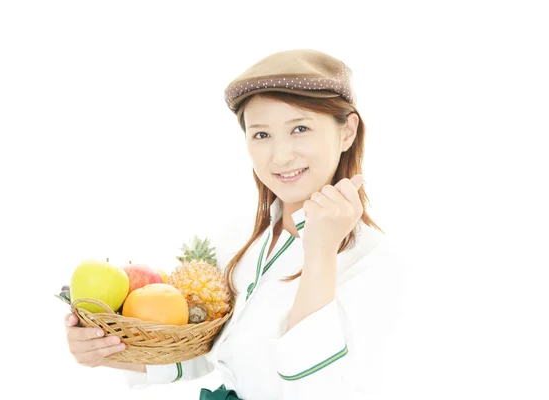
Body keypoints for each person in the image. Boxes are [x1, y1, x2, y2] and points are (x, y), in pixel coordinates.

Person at [63, 49, 406, 399]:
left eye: (300, 128)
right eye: (261, 134)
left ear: (347, 131)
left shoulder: (375, 260)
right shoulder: (241, 237)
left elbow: (312, 387)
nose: (280, 155)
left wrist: (319, 252)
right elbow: (215, 349)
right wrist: (106, 350)